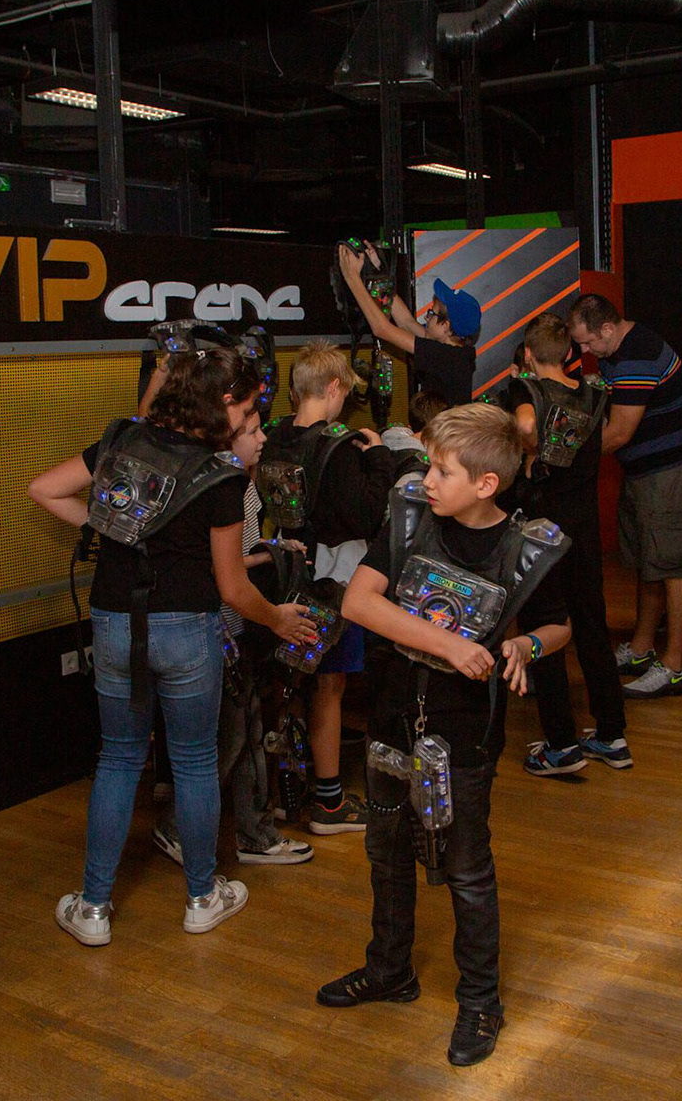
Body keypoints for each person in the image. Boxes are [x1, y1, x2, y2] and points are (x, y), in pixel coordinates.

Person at [29, 341, 317, 946]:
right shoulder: (220, 477)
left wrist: (115, 529)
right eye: (247, 409)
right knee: (194, 762)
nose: (251, 420)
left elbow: (45, 490)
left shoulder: (120, 441)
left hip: (114, 623)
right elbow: (233, 588)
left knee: (118, 759)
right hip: (187, 630)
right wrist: (278, 620)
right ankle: (202, 898)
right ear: (222, 402)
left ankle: (93, 907)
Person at [317, 403, 570, 1068]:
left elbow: (558, 626)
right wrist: (450, 645)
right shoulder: (409, 521)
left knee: (466, 868)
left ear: (487, 483)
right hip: (393, 717)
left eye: (443, 470)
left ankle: (481, 1000)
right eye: (429, 465)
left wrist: (526, 647)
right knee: (386, 850)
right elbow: (359, 602)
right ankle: (389, 970)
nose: (427, 479)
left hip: (464, 734)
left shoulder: (525, 546)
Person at [152, 411, 317, 869]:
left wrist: (271, 551)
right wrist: (268, 556)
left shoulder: (241, 485)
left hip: (236, 627)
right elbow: (219, 565)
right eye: (251, 430)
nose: (262, 438)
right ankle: (178, 827)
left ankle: (253, 832)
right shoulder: (223, 487)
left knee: (246, 731)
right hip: (216, 628)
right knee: (231, 737)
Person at [262, 343, 396, 835]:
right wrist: (378, 458)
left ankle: (284, 789)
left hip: (282, 569)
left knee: (289, 679)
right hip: (334, 580)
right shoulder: (339, 447)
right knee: (329, 684)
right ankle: (329, 800)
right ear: (335, 387)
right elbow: (364, 515)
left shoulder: (273, 436)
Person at [504, 313, 630, 776]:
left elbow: (524, 427)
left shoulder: (526, 389)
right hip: (585, 526)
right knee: (592, 625)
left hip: (542, 529)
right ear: (569, 354)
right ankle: (612, 734)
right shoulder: (593, 393)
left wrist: (532, 453)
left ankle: (560, 744)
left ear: (529, 355)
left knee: (544, 628)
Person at [567, 295, 682, 698]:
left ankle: (675, 667)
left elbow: (618, 433)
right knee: (650, 565)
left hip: (671, 474)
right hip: (647, 472)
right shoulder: (618, 351)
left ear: (608, 328)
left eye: (588, 342)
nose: (585, 351)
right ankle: (642, 648)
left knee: (673, 567)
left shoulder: (635, 357)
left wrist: (563, 452)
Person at [337, 241, 480, 409]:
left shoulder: (447, 357)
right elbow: (406, 323)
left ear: (446, 326)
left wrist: (351, 277)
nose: (427, 318)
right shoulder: (454, 353)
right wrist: (379, 273)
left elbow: (382, 328)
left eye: (432, 314)